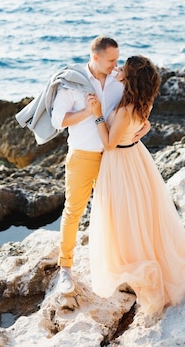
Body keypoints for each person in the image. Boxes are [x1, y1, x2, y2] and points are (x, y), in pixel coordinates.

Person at [89, 55, 185, 316]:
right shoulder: (143, 102)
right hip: (137, 157)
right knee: (143, 212)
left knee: (124, 214)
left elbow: (109, 143)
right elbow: (140, 125)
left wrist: (96, 115)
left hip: (120, 163)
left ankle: (133, 261)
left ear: (130, 78)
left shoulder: (126, 110)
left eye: (122, 68)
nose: (117, 69)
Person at [51, 36, 149, 295]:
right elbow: (58, 120)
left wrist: (146, 124)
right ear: (95, 57)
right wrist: (88, 110)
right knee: (74, 211)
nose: (116, 65)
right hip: (83, 155)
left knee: (116, 213)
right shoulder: (74, 83)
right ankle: (65, 269)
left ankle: (122, 269)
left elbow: (137, 103)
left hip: (114, 158)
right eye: (111, 60)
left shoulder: (119, 81)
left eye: (118, 59)